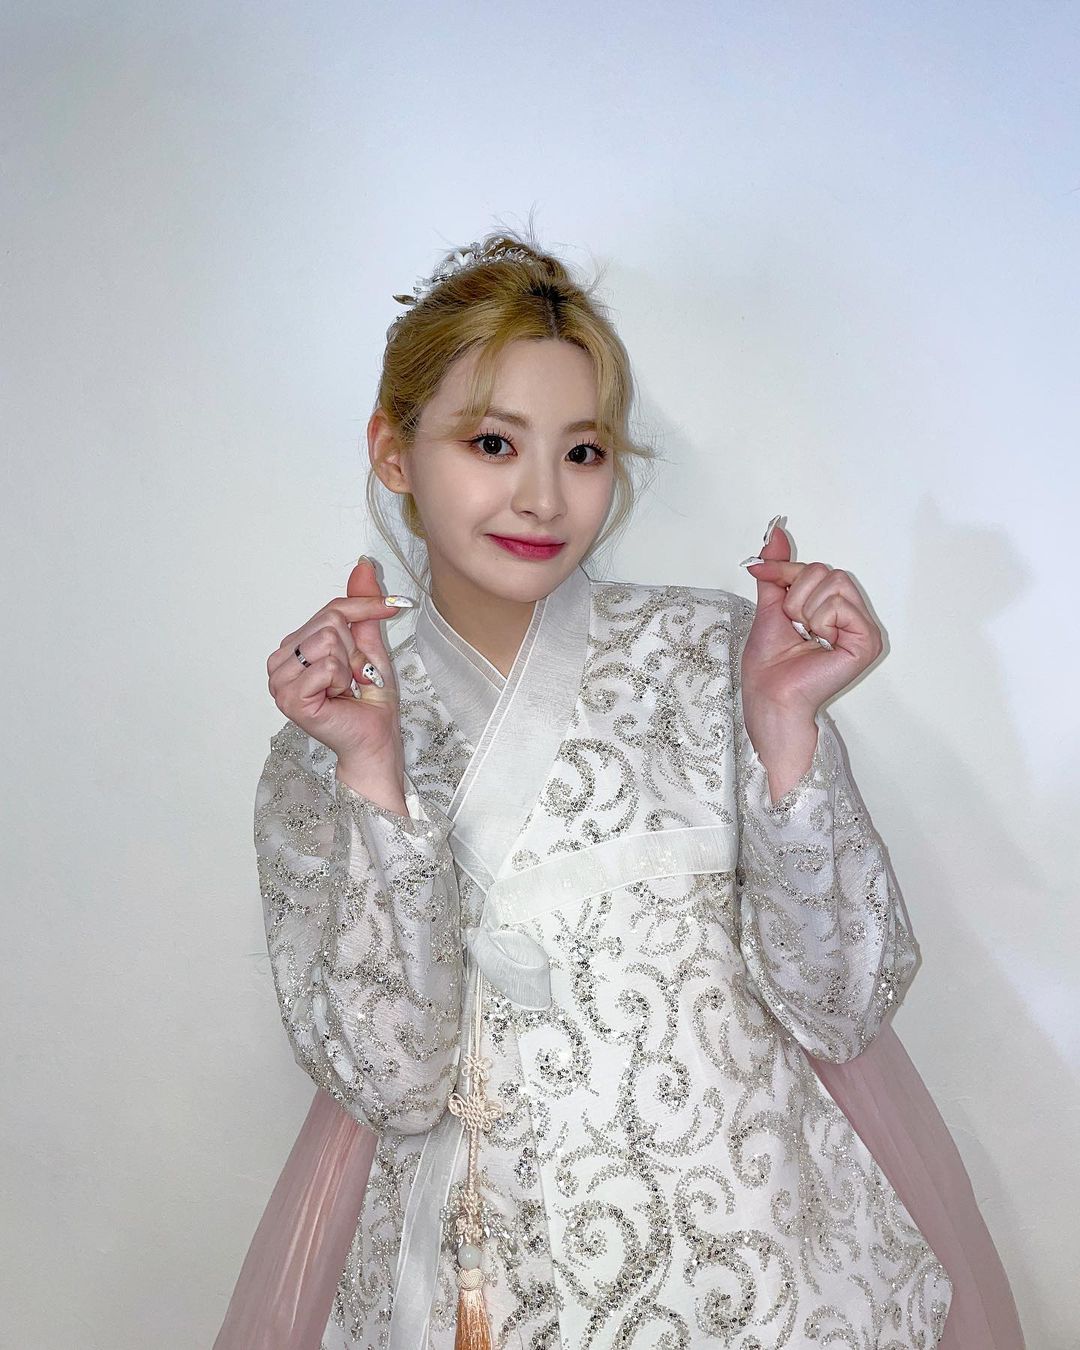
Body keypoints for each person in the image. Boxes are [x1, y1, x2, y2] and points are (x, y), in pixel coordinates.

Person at [216, 232, 1025, 1349]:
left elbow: (844, 1003)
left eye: (584, 452)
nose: (542, 497)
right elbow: (392, 1084)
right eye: (492, 442)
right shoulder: (324, 746)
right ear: (393, 453)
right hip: (485, 1278)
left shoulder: (715, 658)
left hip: (761, 1266)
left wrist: (786, 730)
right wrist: (371, 774)